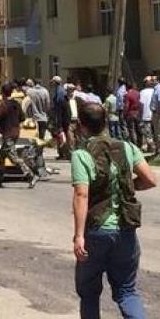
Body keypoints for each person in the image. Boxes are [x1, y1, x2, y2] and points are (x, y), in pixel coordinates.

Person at [71, 103, 156, 319]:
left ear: (81, 125)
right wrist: (126, 185)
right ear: (106, 122)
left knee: (89, 293)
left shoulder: (81, 154)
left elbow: (81, 195)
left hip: (97, 230)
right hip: (125, 229)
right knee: (127, 291)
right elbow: (149, 179)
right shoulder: (127, 147)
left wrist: (79, 236)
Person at [0, 83, 34, 188]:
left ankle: (30, 175)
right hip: (15, 133)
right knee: (1, 157)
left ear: (2, 93)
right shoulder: (16, 104)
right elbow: (22, 118)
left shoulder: (4, 105)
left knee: (13, 157)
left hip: (8, 134)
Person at [51, 76, 71, 159]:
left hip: (62, 117)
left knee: (61, 135)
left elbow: (59, 106)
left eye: (53, 82)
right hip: (65, 117)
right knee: (64, 135)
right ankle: (65, 153)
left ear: (55, 83)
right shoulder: (62, 91)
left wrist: (57, 120)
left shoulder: (59, 92)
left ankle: (63, 153)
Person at [139, 77, 155, 153]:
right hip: (154, 115)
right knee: (153, 132)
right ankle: (151, 147)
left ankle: (151, 147)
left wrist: (140, 115)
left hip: (145, 115)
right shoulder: (155, 90)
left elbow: (141, 105)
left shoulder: (142, 92)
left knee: (147, 133)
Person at [123, 82, 141, 147]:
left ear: (126, 88)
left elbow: (126, 106)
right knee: (138, 129)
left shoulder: (127, 95)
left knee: (131, 130)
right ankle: (140, 144)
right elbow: (140, 103)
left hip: (130, 114)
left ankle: (134, 145)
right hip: (137, 113)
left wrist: (124, 114)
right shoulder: (138, 93)